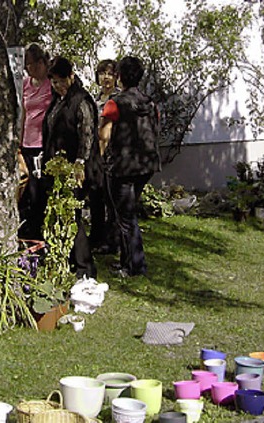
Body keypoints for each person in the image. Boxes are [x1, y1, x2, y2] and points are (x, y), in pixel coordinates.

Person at [99, 56, 161, 277]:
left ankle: (134, 266)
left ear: (120, 76)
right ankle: (126, 260)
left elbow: (104, 135)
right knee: (128, 212)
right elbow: (155, 128)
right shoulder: (150, 103)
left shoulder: (115, 103)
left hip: (123, 167)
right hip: (146, 165)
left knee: (125, 217)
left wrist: (101, 157)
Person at [42, 56, 100, 278]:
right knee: (63, 215)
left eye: (61, 81)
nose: (57, 86)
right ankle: (70, 260)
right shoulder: (58, 100)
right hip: (58, 167)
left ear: (71, 77)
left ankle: (85, 266)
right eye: (54, 82)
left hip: (76, 168)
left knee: (73, 216)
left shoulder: (81, 100)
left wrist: (80, 164)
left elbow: (87, 134)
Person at [18, 43, 52, 241]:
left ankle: (38, 230)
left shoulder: (50, 83)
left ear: (41, 63)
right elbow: (24, 112)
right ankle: (26, 228)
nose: (29, 69)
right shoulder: (26, 84)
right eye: (27, 65)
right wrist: (19, 140)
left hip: (43, 143)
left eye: (32, 64)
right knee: (26, 188)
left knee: (38, 190)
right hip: (27, 143)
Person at [89, 59, 120, 254]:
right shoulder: (95, 99)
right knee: (95, 197)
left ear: (116, 76)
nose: (106, 78)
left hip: (113, 155)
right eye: (102, 73)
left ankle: (113, 240)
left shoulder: (119, 98)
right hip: (95, 153)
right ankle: (97, 237)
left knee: (112, 200)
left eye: (109, 73)